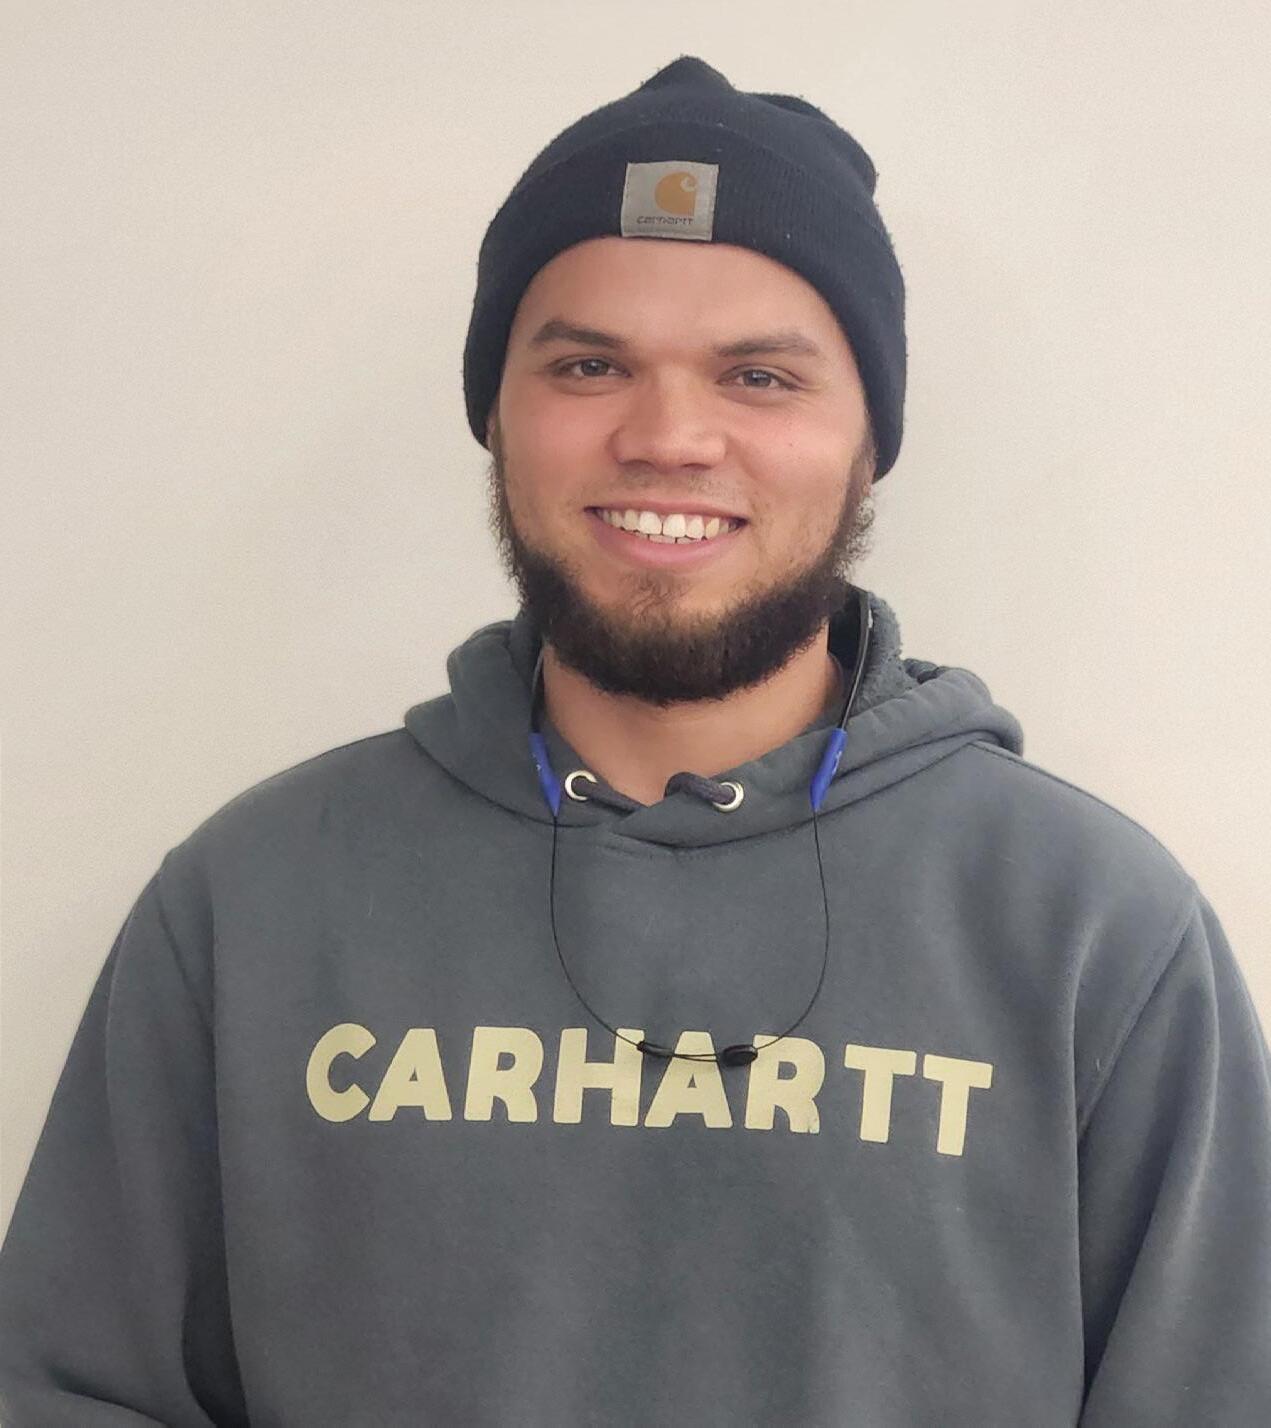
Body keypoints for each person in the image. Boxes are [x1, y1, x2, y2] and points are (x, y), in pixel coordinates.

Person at [1, 53, 1268, 1427]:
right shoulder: (253, 899)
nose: (670, 436)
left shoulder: (1092, 929)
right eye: (591, 365)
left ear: (870, 439)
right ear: (498, 417)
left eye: (760, 376)